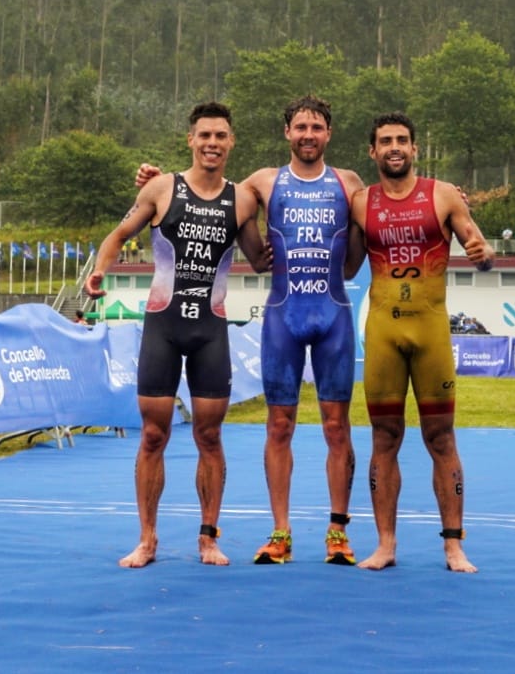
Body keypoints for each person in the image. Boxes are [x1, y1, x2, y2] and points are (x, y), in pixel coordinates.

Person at [136, 96, 367, 566]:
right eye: (300, 127)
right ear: (287, 133)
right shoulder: (261, 182)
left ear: (328, 133)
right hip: (283, 317)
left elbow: (366, 236)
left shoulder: (349, 182)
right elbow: (203, 196)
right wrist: (157, 183)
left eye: (316, 127)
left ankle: (338, 533)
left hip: (333, 317)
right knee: (279, 425)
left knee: (336, 426)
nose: (308, 134)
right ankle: (280, 533)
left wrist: (449, 198)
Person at [85, 101, 268, 568]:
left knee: (210, 435)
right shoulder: (162, 188)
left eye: (221, 136)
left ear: (231, 142)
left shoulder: (242, 199)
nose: (212, 143)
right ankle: (147, 539)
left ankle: (208, 538)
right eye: (204, 135)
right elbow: (118, 234)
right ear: (191, 140)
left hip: (211, 331)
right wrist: (100, 270)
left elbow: (261, 259)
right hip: (163, 328)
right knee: (152, 434)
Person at [351, 112, 494, 574]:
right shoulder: (360, 202)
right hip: (383, 334)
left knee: (441, 437)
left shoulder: (444, 194)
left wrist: (484, 255)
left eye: (402, 140)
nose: (394, 147)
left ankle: (454, 547)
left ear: (414, 148)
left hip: (430, 331)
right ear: (373, 151)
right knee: (384, 437)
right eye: (385, 141)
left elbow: (481, 251)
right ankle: (385, 544)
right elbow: (346, 263)